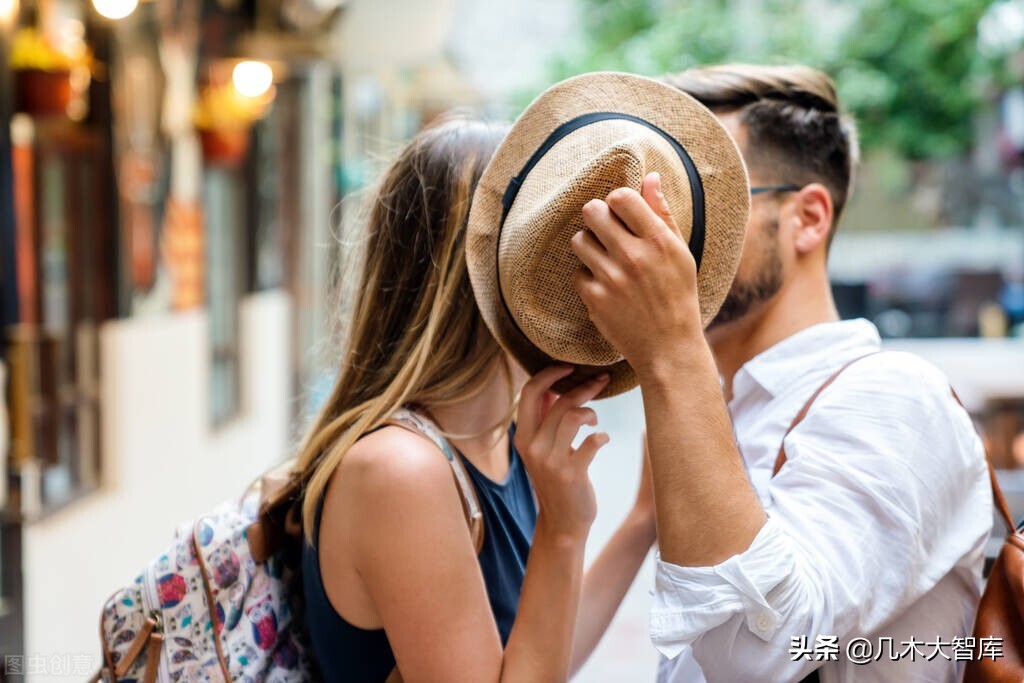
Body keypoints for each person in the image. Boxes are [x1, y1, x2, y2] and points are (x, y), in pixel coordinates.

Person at [568, 64, 993, 682]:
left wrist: (670, 351)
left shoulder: (894, 395)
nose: (674, 231)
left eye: (705, 199)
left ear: (809, 218)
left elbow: (761, 654)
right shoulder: (723, 405)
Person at [292, 113, 643, 683]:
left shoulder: (504, 434)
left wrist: (641, 521)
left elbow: (537, 655)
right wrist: (563, 528)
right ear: (496, 270)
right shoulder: (401, 472)